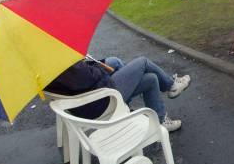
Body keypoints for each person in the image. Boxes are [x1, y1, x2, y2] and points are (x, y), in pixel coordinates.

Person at [46, 56, 190, 132]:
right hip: (102, 101)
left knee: (151, 79)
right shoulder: (56, 62)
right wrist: (94, 66)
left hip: (92, 99)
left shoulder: (43, 67)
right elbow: (87, 77)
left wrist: (90, 63)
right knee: (143, 62)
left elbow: (82, 77)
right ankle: (171, 86)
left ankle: (160, 121)